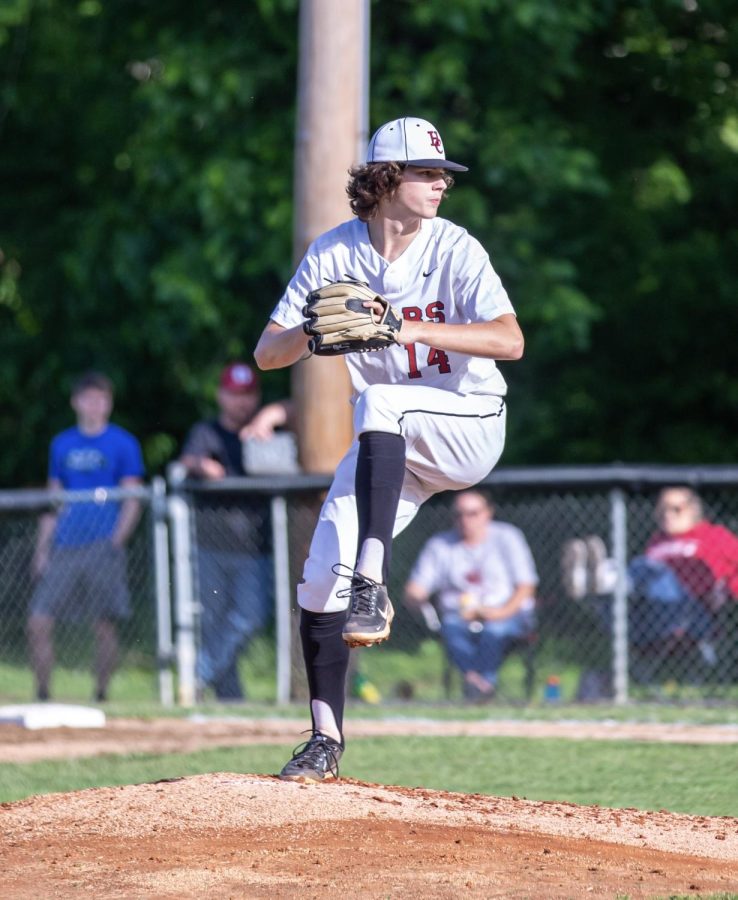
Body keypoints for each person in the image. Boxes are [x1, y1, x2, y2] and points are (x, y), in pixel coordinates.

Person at [254, 116, 525, 781]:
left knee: (380, 401)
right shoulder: (335, 253)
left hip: (466, 423)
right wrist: (315, 334)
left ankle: (372, 582)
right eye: (428, 173)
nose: (441, 184)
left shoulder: (456, 248)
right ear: (386, 178)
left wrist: (403, 328)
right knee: (318, 579)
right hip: (391, 454)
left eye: (442, 175)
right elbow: (267, 354)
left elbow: (509, 340)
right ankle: (324, 741)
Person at [177, 362, 292, 701]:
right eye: (234, 394)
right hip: (210, 547)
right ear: (220, 395)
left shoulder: (267, 433)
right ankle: (230, 696)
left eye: (248, 394)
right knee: (213, 623)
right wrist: (202, 466)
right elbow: (186, 460)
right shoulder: (207, 432)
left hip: (255, 549)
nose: (241, 402)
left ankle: (198, 675)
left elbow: (299, 409)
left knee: (249, 618)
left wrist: (267, 418)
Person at [28, 371, 144, 702]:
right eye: (89, 398)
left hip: (102, 546)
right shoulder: (62, 444)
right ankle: (43, 694)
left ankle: (101, 694)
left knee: (104, 625)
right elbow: (54, 500)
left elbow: (133, 498)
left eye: (102, 398)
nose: (96, 405)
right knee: (38, 621)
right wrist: (42, 549)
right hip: (65, 546)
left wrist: (116, 541)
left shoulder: (123, 443)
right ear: (75, 402)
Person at [404, 490, 537, 701]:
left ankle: (478, 685)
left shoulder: (507, 537)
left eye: (473, 513)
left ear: (488, 513)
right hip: (459, 618)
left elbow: (526, 586)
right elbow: (415, 589)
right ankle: (482, 685)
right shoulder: (440, 545)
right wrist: (418, 600)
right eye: (459, 514)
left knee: (494, 631)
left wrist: (499, 613)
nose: (465, 520)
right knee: (451, 627)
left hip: (505, 615)